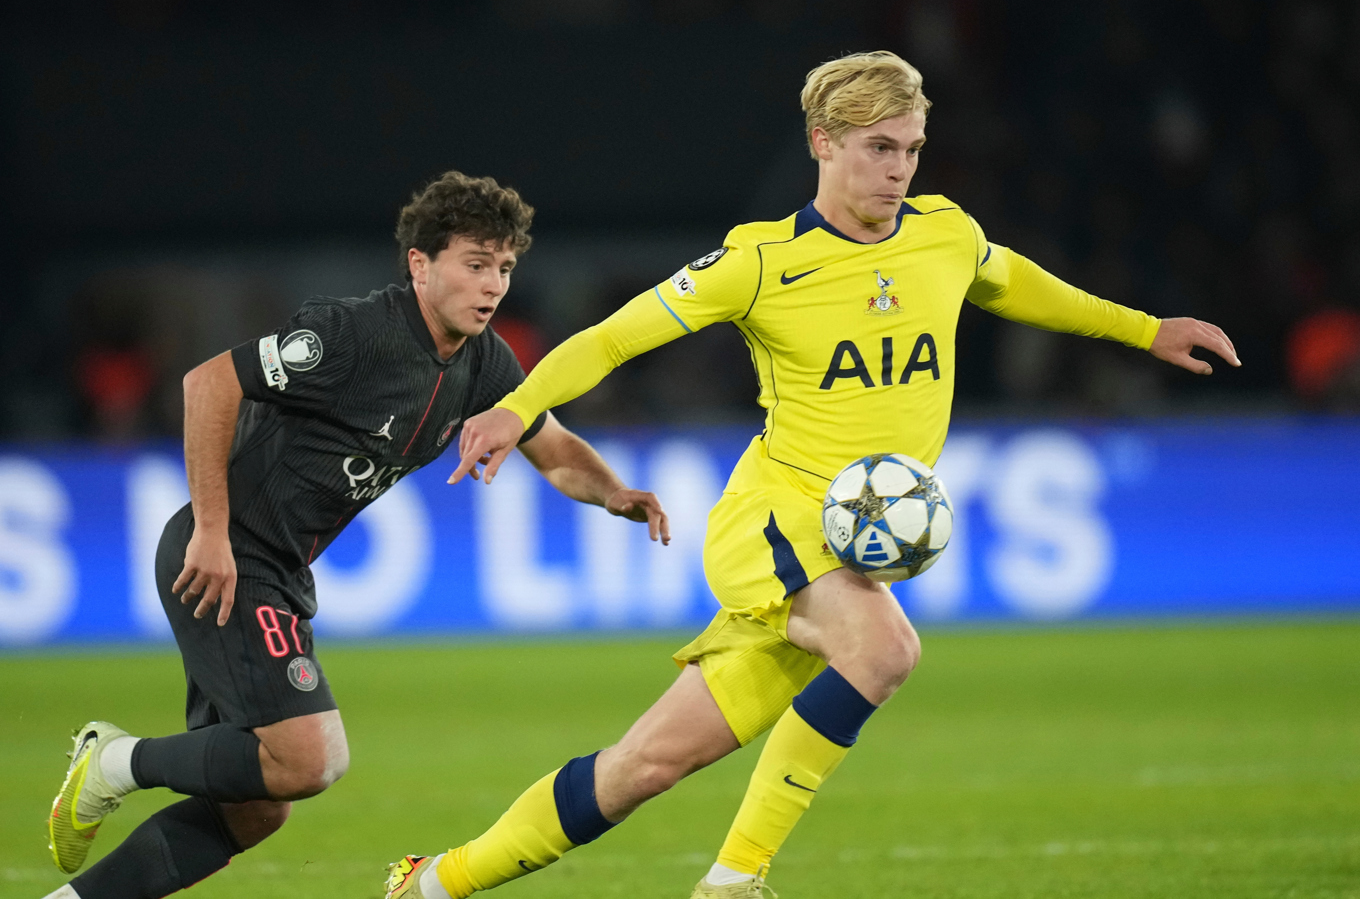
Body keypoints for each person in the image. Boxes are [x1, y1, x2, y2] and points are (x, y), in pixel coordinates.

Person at [383, 52, 1240, 899]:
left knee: (645, 765)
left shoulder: (947, 234)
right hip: (778, 515)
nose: (898, 169)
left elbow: (1014, 284)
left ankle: (429, 884)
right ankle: (734, 881)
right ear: (824, 145)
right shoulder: (759, 262)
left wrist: (1144, 330)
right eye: (877, 148)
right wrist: (518, 406)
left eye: (909, 148)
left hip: (842, 544)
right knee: (885, 647)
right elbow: (613, 337)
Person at [43, 170, 670, 899]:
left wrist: (615, 493)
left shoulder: (485, 362)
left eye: (504, 267)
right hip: (231, 557)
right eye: (475, 264)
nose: (493, 285)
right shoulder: (352, 333)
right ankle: (115, 762)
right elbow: (208, 384)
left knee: (255, 808)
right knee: (310, 760)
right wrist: (211, 531)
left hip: (278, 570)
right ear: (420, 264)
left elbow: (553, 447)